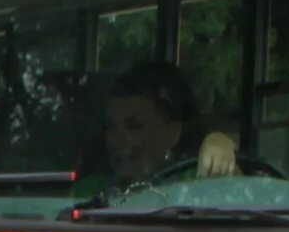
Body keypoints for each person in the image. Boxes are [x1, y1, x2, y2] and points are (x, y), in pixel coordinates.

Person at [99, 57, 239, 188]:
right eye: (110, 126)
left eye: (135, 126)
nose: (116, 139)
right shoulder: (89, 189)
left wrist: (219, 146)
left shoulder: (197, 183)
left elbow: (240, 195)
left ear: (172, 134)